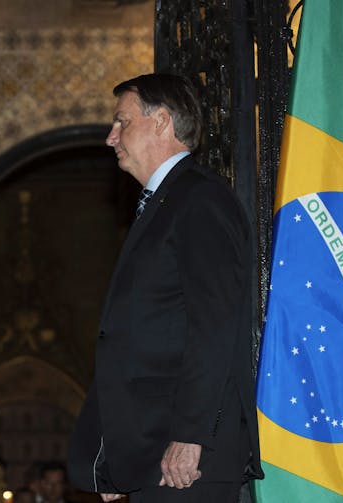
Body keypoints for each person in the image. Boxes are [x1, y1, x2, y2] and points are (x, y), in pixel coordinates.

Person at [67, 73, 263, 502]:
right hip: (153, 451)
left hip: (187, 458)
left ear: (160, 123)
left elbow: (214, 326)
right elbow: (144, 334)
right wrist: (115, 462)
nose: (111, 137)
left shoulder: (200, 200)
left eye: (122, 122)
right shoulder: (165, 201)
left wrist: (191, 435)